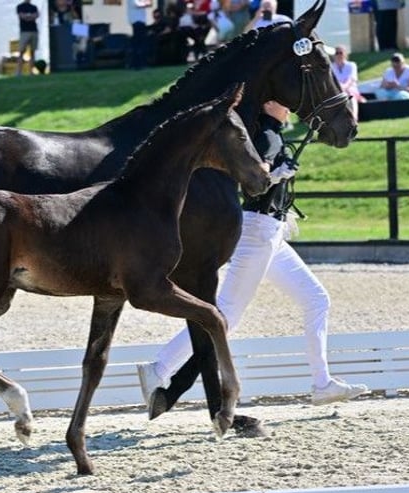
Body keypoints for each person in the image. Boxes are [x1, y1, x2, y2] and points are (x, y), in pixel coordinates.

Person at [137, 100, 369, 408]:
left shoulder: (270, 135)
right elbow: (252, 185)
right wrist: (276, 175)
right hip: (258, 233)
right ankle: (159, 368)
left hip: (270, 233)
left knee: (316, 298)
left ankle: (322, 383)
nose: (290, 109)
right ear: (270, 104)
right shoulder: (267, 138)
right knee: (227, 312)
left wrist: (279, 177)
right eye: (284, 104)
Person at [331, 45, 364, 120]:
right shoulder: (331, 67)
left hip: (350, 88)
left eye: (341, 53)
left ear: (345, 54)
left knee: (350, 95)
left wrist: (344, 87)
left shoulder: (351, 65)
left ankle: (354, 118)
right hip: (336, 89)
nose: (339, 55)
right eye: (337, 53)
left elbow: (352, 79)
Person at [16, 0, 40, 75]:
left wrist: (28, 16)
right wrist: (30, 16)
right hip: (24, 31)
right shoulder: (20, 7)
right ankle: (19, 72)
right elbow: (22, 16)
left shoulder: (34, 7)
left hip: (34, 31)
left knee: (32, 52)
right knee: (21, 52)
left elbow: (36, 15)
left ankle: (31, 71)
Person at [127, 0, 152, 70]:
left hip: (140, 21)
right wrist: (147, 3)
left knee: (140, 43)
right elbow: (138, 4)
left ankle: (139, 64)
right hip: (137, 21)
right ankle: (138, 64)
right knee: (139, 44)